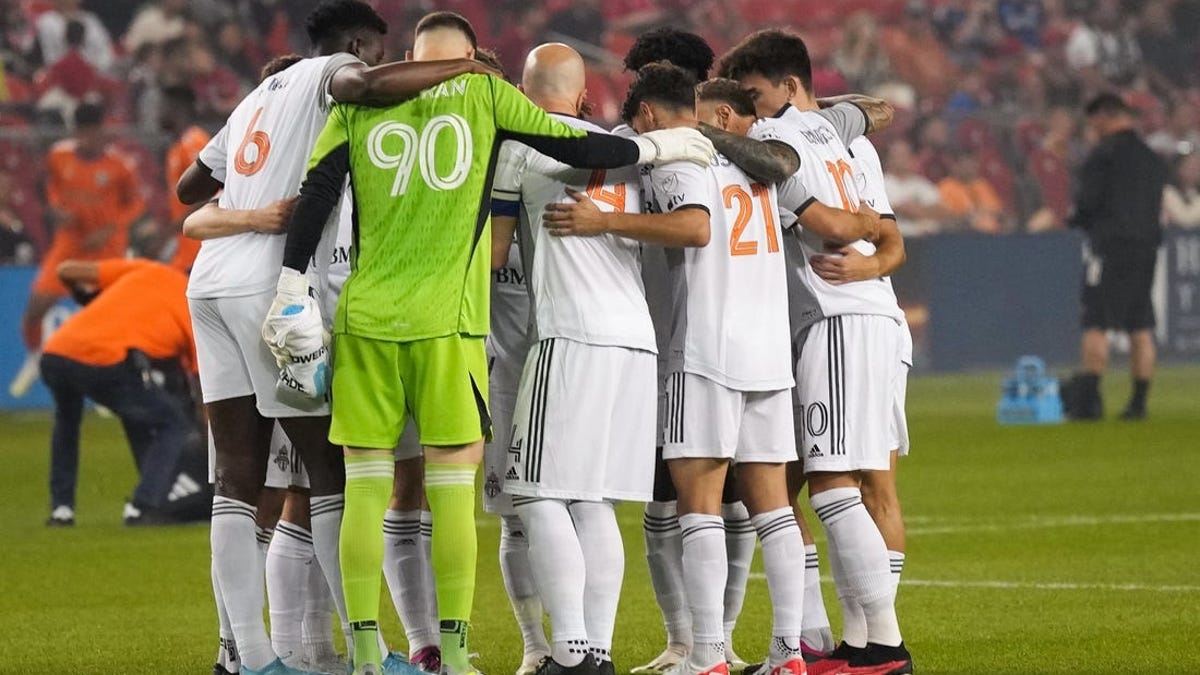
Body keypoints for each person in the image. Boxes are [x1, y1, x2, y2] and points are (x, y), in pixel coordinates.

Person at [264, 10, 714, 675]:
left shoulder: (361, 106)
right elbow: (579, 148)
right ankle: (452, 649)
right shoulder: (486, 94)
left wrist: (290, 284)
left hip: (365, 318)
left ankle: (365, 648)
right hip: (450, 323)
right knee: (453, 492)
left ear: (414, 55)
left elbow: (316, 195)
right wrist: (661, 147)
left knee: (367, 488)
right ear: (470, 55)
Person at [175, 2, 508, 673]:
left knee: (235, 477)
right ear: (358, 44)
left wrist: (247, 203)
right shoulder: (336, 72)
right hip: (274, 289)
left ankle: (248, 654)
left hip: (210, 283)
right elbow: (365, 86)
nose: (380, 67)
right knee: (333, 471)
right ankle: (370, 650)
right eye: (380, 53)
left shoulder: (256, 97)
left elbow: (189, 187)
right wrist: (466, 66)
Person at [556, 62, 812, 675]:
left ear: (646, 115)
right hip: (769, 349)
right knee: (771, 506)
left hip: (706, 347)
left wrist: (605, 220)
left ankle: (705, 657)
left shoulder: (676, 160)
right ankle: (789, 652)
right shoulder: (754, 164)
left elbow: (693, 229)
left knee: (697, 505)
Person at [719, 29, 913, 675]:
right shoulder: (840, 131)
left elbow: (829, 223)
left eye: (755, 95)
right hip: (866, 316)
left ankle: (883, 646)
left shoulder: (787, 141)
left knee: (833, 487)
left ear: (787, 86)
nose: (751, 108)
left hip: (834, 318)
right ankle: (857, 644)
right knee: (843, 483)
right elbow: (873, 109)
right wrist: (868, 245)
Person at [490, 42, 657, 675]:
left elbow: (498, 253)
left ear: (522, 96)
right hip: (634, 339)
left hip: (570, 335)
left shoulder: (519, 147)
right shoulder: (626, 150)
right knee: (592, 501)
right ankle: (599, 652)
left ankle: (569, 652)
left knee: (534, 494)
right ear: (584, 94)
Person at [619, 29, 758, 675]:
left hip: (712, 341)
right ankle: (685, 639)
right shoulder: (643, 150)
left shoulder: (736, 151)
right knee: (663, 496)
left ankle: (716, 640)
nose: (648, 87)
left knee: (730, 496)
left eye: (660, 74)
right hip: (653, 337)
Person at [40, 258, 195, 527]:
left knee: (67, 424)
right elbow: (202, 377)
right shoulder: (195, 306)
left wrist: (88, 298)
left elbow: (65, 270)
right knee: (173, 422)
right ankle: (143, 506)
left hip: (57, 352)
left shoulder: (147, 270)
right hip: (106, 362)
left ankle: (61, 510)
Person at [13, 102, 144, 399]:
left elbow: (136, 204)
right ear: (76, 131)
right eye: (81, 132)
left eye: (92, 132)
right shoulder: (58, 156)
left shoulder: (119, 165)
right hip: (68, 247)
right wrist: (57, 208)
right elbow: (50, 188)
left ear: (102, 131)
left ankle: (125, 379)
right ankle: (38, 358)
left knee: (114, 321)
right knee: (35, 309)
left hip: (106, 251)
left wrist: (111, 229)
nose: (87, 139)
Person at [1065, 93, 1169, 421]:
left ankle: (1089, 400)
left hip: (1109, 246)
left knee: (1096, 320)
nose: (1092, 129)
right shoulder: (1152, 158)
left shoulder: (1103, 155)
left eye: (1094, 122)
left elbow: (1088, 202)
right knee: (1140, 323)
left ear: (1106, 116)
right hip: (1146, 247)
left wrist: (1077, 219)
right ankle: (1138, 403)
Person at [161, 84, 209, 272]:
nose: (159, 112)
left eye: (164, 106)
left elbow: (208, 193)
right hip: (185, 245)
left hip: (199, 245)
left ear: (178, 109)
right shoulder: (176, 147)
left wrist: (170, 230)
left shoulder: (194, 141)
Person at [1162, 153, 1200, 228]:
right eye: (1191, 166)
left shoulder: (1194, 193)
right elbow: (1185, 219)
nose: (1195, 171)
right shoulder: (1167, 191)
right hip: (1173, 237)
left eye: (1198, 167)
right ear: (1179, 168)